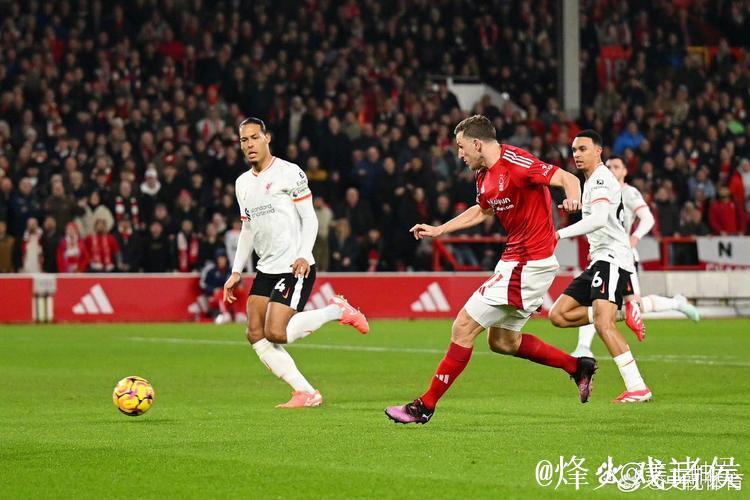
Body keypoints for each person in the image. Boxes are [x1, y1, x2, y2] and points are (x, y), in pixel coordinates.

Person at [385, 114, 592, 425]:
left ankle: (424, 406)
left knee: (463, 327)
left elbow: (568, 179)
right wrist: (440, 230)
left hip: (528, 263)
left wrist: (574, 200)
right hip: (517, 261)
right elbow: (483, 211)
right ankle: (577, 367)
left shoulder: (517, 163)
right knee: (503, 342)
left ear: (477, 144)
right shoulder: (483, 176)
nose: (459, 154)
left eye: (461, 147)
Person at [222, 117, 369, 409]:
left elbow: (309, 217)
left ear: (267, 138)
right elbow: (247, 228)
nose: (249, 144)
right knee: (254, 332)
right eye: (244, 140)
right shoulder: (242, 183)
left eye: (254, 137)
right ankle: (305, 392)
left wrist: (303, 253)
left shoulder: (290, 173)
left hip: (293, 265)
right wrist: (236, 271)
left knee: (276, 332)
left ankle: (336, 310)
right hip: (266, 268)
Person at [549, 130, 652, 403]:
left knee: (603, 324)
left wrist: (559, 234)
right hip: (599, 260)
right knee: (558, 315)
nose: (577, 154)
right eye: (574, 150)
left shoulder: (601, 178)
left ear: (598, 151)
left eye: (583, 149)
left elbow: (598, 219)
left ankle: (637, 387)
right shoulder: (592, 181)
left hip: (612, 259)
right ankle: (624, 311)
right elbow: (596, 217)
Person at [571, 156, 700, 358]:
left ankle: (677, 303)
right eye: (609, 166)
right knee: (596, 301)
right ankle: (583, 347)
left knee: (633, 305)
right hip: (604, 254)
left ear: (624, 172)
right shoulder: (598, 188)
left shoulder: (628, 192)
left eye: (616, 166)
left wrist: (634, 237)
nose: (611, 169)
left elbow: (648, 218)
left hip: (623, 256)